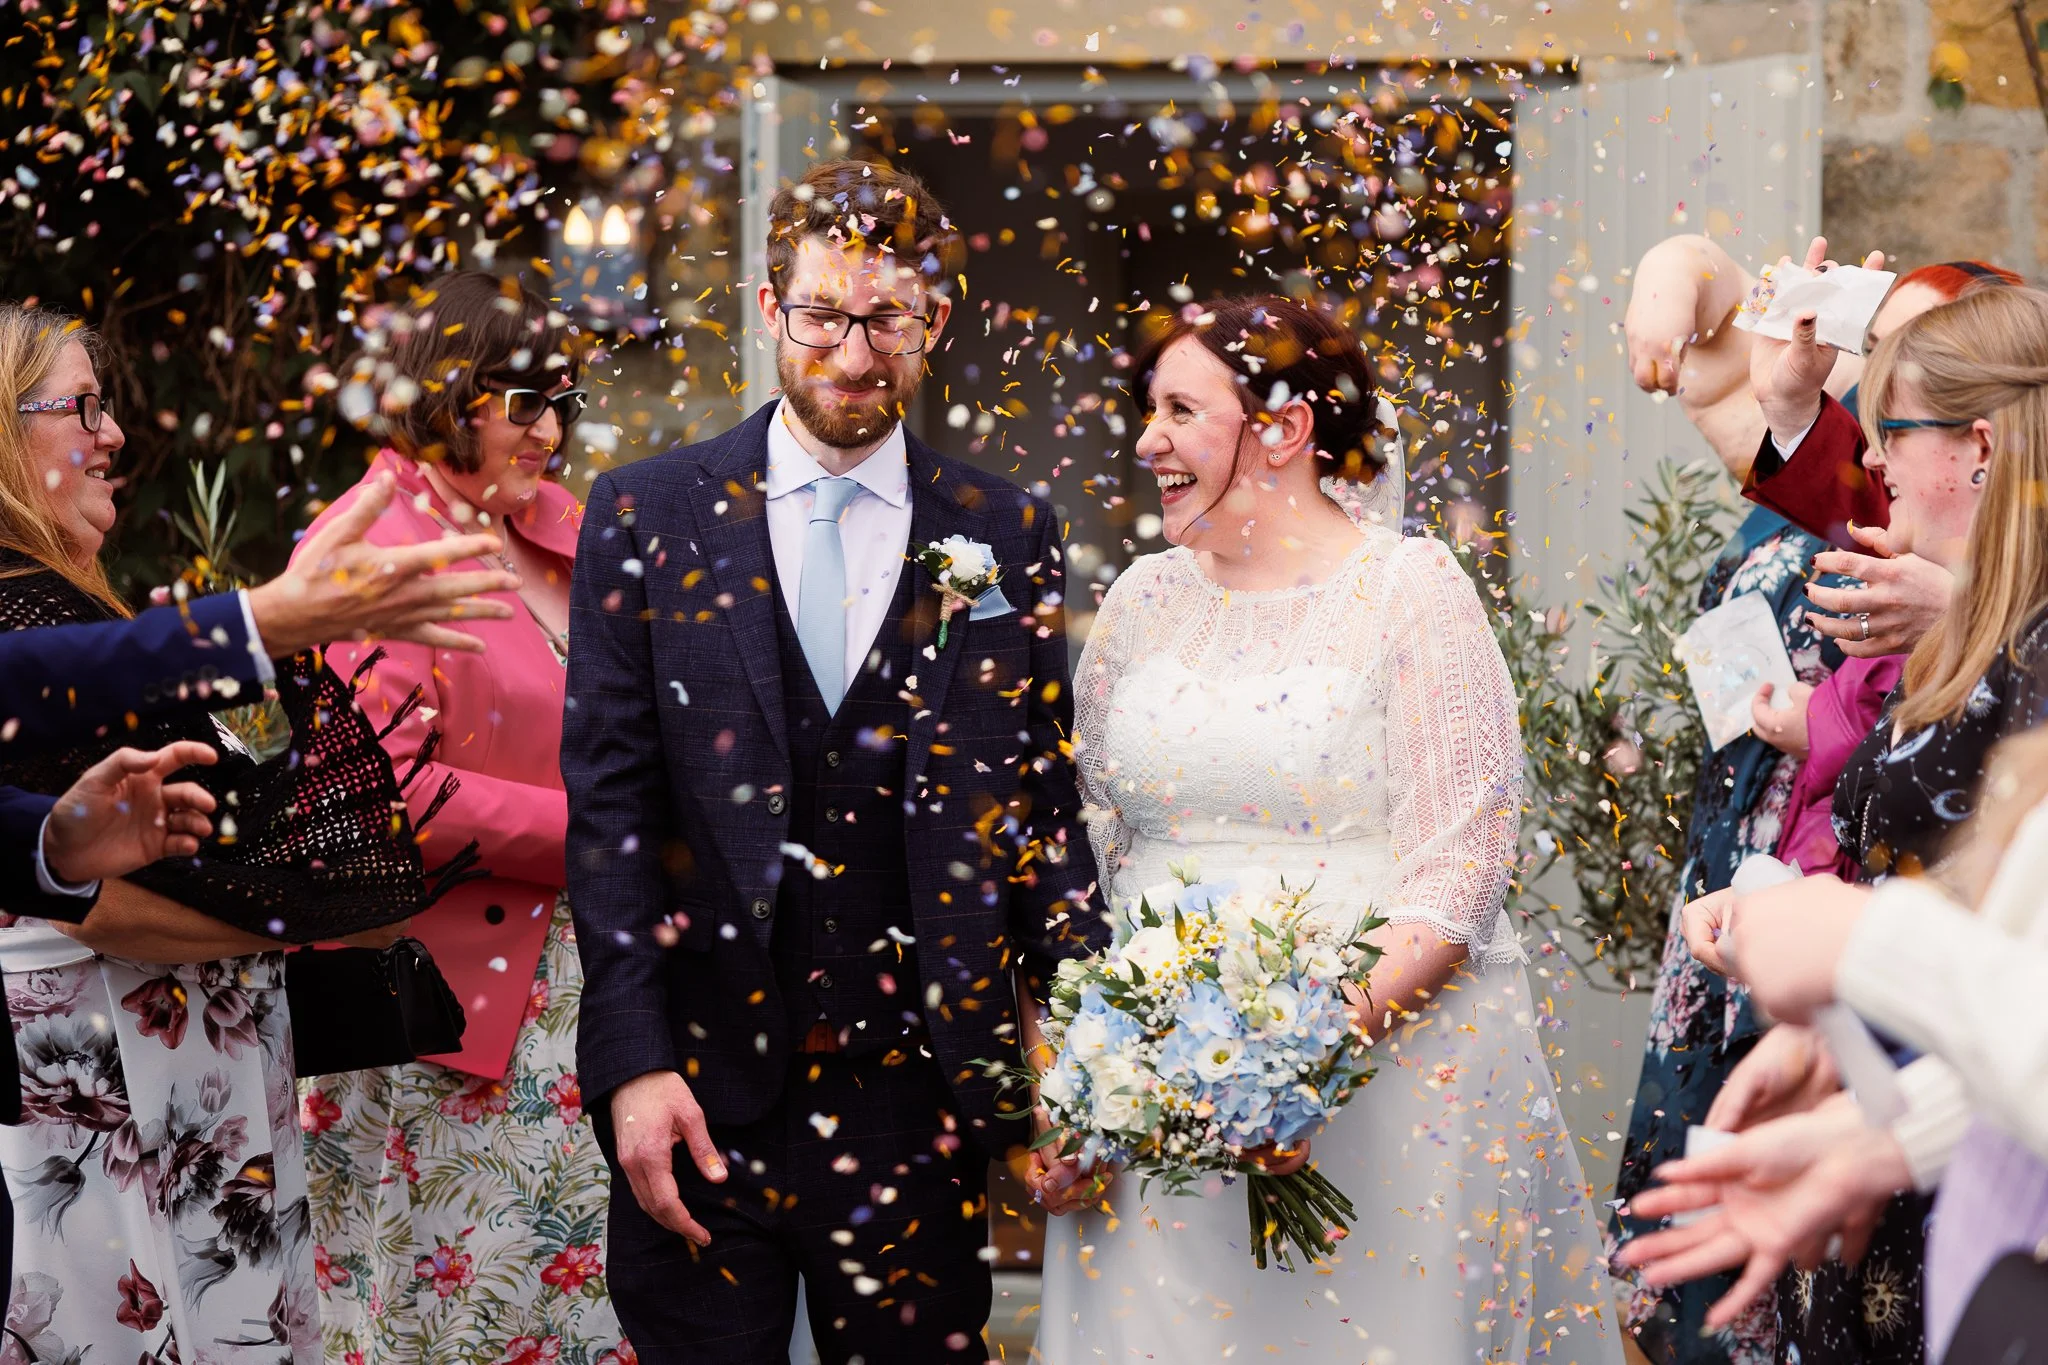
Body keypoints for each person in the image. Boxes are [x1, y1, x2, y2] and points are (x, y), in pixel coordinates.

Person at [563, 158, 1106, 1363]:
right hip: (700, 1091)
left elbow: (1038, 807)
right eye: (823, 317)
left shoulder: (1004, 529)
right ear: (771, 309)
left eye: (887, 321)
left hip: (917, 1094)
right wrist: (633, 1065)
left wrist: (1076, 1047)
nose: (854, 356)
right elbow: (607, 813)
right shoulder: (646, 512)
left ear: (934, 324)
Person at [1029, 294, 1619, 1362]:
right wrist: (1092, 1061)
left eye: (1178, 409)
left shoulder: (1409, 591)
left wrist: (1299, 1049)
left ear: (1283, 428)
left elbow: (1461, 862)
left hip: (1394, 1086)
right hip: (1158, 1094)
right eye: (1145, 410)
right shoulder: (1139, 601)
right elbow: (1092, 844)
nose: (1145, 439)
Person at [0, 305, 460, 1357]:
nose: (113, 433)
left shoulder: (69, 596)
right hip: (111, 1092)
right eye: (82, 407)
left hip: (180, 1084)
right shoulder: (20, 610)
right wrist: (291, 914)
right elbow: (94, 907)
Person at [1609, 241, 2014, 1364]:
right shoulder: (1898, 500)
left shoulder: (1982, 594)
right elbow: (1781, 436)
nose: (1869, 433)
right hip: (1873, 1035)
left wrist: (1969, 626)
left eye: (1899, 378)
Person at [290, 272, 630, 1365]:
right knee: (466, 1314)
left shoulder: (558, 528)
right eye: (519, 399)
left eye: (558, 401)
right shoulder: (367, 544)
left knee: (586, 1311)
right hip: (448, 1001)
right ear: (447, 393)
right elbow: (384, 796)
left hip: (591, 979)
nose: (547, 426)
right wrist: (599, 832)